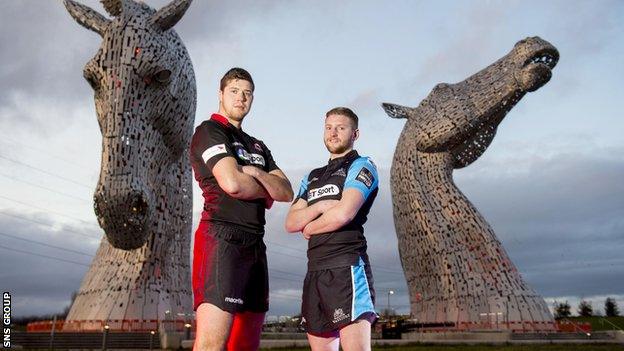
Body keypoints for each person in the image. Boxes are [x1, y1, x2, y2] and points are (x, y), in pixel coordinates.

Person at [189, 67, 293, 351]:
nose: (241, 98)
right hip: (222, 240)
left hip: (256, 246)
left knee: (246, 345)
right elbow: (232, 183)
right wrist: (267, 189)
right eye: (234, 91)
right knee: (212, 344)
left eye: (247, 93)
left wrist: (257, 175)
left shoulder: (258, 146)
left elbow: (286, 192)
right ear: (221, 94)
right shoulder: (209, 131)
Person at [285, 107, 379, 351]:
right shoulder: (312, 176)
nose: (333, 133)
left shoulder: (362, 166)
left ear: (355, 134)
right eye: (328, 127)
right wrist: (322, 207)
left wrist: (310, 227)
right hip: (315, 271)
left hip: (346, 267)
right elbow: (291, 223)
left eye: (341, 127)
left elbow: (344, 213)